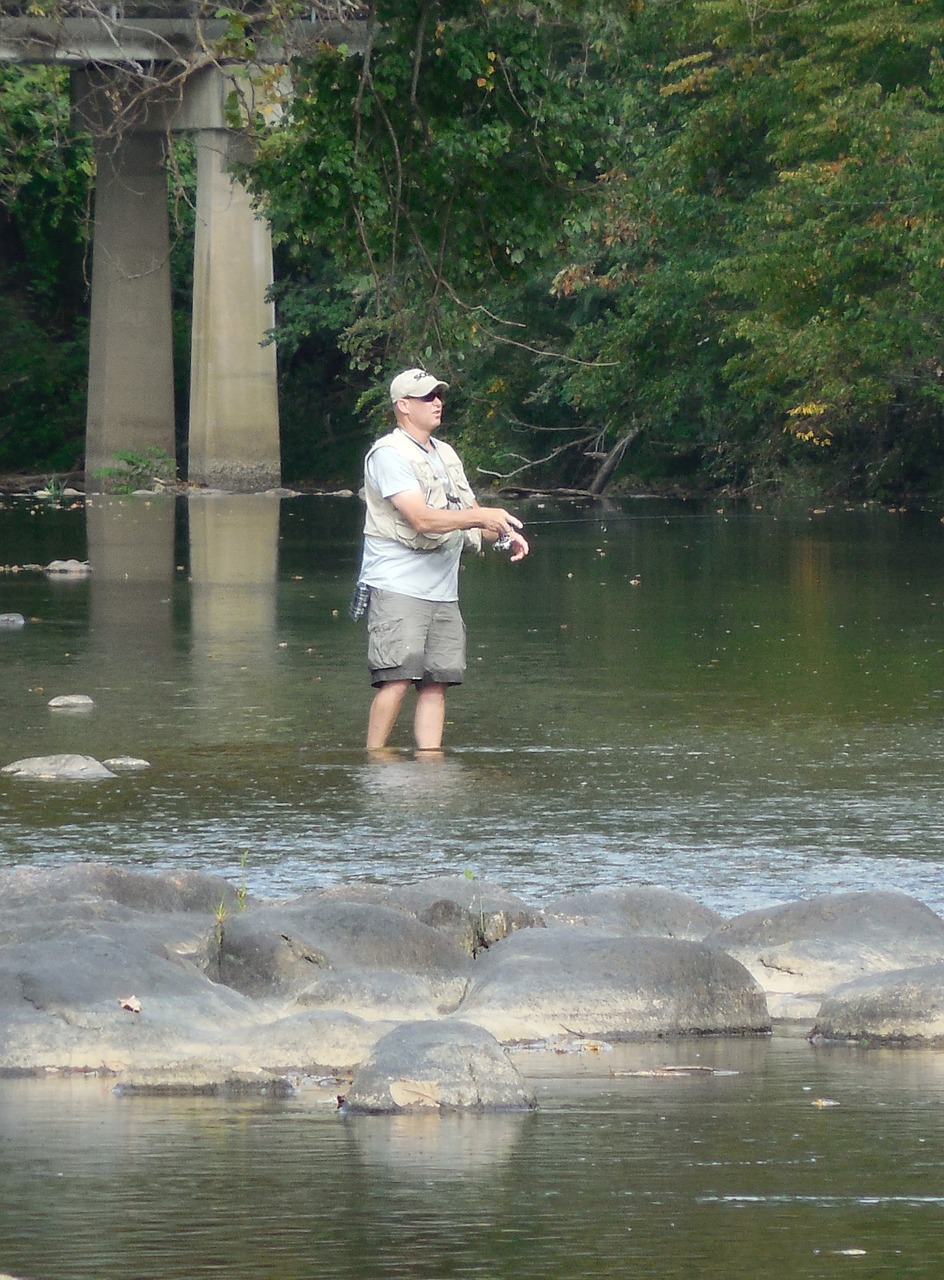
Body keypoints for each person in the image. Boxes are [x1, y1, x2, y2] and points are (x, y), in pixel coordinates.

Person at [355, 367, 529, 752]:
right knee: (396, 679)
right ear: (403, 406)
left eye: (439, 395)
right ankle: (375, 760)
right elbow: (422, 518)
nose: (437, 402)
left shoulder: (446, 454)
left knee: (437, 682)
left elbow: (468, 516)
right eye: (426, 397)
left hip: (443, 591)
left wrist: (504, 532)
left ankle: (430, 764)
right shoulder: (388, 455)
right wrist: (483, 516)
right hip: (397, 586)